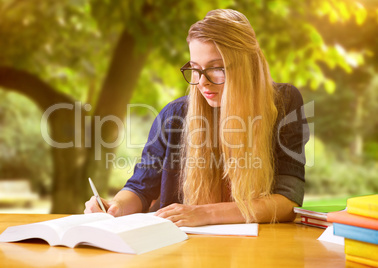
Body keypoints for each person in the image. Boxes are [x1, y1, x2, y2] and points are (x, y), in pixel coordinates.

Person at [84, 9, 309, 227]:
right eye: (195, 68)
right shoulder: (174, 116)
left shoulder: (284, 103)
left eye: (216, 69)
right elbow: (141, 188)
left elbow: (288, 202)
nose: (202, 82)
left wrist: (205, 213)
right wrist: (116, 207)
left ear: (247, 67)